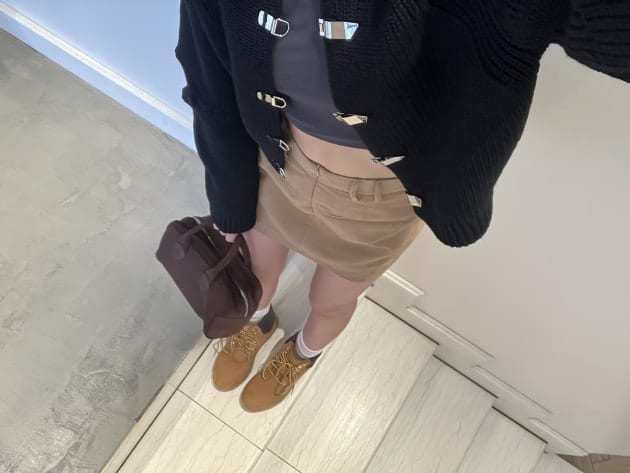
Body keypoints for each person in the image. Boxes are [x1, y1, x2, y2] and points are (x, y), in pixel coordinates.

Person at [175, 0, 629, 412]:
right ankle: (256, 323)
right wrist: (228, 196)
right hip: (276, 163)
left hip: (379, 205)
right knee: (255, 275)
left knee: (329, 302)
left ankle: (303, 355)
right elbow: (207, 75)